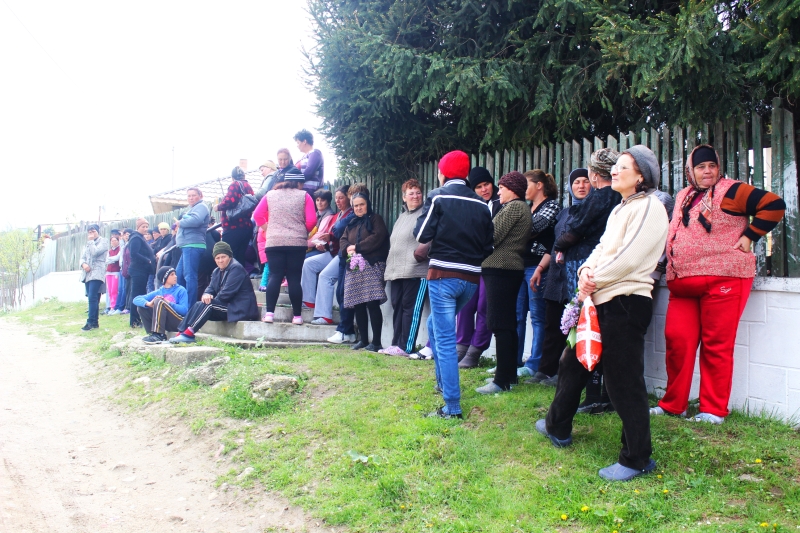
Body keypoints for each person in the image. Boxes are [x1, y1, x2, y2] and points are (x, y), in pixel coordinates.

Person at [536, 144, 669, 482]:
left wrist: (591, 282)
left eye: (623, 167)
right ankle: (557, 426)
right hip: (599, 299)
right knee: (573, 362)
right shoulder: (620, 209)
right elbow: (601, 249)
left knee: (624, 381)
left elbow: (630, 259)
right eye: (615, 166)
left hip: (627, 302)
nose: (614, 171)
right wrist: (586, 272)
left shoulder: (650, 207)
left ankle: (637, 458)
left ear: (641, 177)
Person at [652, 144, 785, 424]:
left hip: (724, 279)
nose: (707, 171)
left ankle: (713, 410)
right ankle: (673, 405)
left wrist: (750, 235)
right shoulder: (684, 195)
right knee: (677, 343)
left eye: (712, 165)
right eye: (701, 167)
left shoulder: (732, 190)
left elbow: (774, 205)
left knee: (716, 346)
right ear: (691, 171)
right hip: (682, 285)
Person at [414, 150, 494, 419]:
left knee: (446, 340)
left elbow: (421, 234)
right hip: (470, 280)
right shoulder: (482, 204)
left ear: (443, 173)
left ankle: (452, 407)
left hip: (442, 276)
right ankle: (442, 383)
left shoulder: (438, 196)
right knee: (434, 326)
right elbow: (489, 246)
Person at [534, 152, 622, 386]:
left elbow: (575, 229)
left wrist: (560, 245)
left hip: (584, 263)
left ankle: (580, 378)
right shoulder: (619, 197)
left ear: (594, 174)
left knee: (584, 319)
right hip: (602, 262)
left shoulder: (600, 196)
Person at [528, 169, 593, 386]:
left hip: (578, 275)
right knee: (552, 324)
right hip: (556, 276)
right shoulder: (564, 213)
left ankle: (565, 374)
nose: (581, 186)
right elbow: (554, 244)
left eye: (585, 181)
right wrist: (540, 268)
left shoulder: (595, 211)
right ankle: (546, 370)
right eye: (576, 182)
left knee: (575, 325)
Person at [474, 172, 532, 394]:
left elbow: (493, 235)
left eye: (502, 188)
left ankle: (501, 381)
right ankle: (509, 375)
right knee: (506, 324)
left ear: (513, 189)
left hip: (501, 269)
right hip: (506, 269)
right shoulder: (518, 207)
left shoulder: (514, 208)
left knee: (500, 324)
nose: (498, 192)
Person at [253, 167, 317, 325]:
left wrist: (268, 229)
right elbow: (312, 221)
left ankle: (269, 314)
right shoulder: (305, 196)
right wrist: (302, 231)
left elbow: (257, 215)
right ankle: (297, 317)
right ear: (299, 183)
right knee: (294, 278)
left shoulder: (270, 195)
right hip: (297, 243)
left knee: (275, 276)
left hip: (274, 242)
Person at [516, 170, 560, 377]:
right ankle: (514, 361)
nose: (523, 189)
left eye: (527, 184)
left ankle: (534, 363)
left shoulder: (551, 206)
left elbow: (532, 228)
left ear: (539, 185)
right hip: (520, 265)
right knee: (517, 316)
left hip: (538, 267)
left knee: (538, 316)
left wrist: (515, 229)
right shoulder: (527, 208)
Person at [170, 241, 260, 343]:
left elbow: (226, 294)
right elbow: (210, 288)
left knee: (208, 305)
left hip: (240, 309)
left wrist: (211, 300)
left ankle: (189, 334)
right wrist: (206, 294)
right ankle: (181, 332)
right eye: (217, 258)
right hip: (228, 306)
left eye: (223, 257)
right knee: (199, 304)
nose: (220, 260)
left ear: (230, 256)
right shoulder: (217, 271)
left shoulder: (236, 268)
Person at [455, 167, 499, 369]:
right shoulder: (470, 205)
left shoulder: (500, 204)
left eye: (486, 184)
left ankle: (475, 350)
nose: (484, 189)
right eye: (479, 186)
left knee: (484, 306)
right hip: (471, 263)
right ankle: (461, 346)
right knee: (465, 305)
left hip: (492, 263)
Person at [381, 179, 429, 356]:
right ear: (404, 197)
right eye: (411, 193)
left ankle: (406, 346)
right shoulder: (402, 217)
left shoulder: (425, 214)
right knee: (397, 306)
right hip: (397, 271)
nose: (415, 196)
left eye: (418, 192)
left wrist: (420, 254)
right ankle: (396, 344)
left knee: (411, 308)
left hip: (416, 270)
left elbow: (432, 236)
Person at [339, 192, 390, 351]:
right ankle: (363, 340)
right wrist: (348, 248)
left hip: (373, 264)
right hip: (355, 265)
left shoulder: (376, 219)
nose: (359, 208)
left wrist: (358, 247)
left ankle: (376, 342)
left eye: (362, 204)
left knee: (372, 302)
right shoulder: (351, 223)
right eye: (356, 205)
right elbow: (343, 239)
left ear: (367, 204)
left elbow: (378, 237)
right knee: (358, 303)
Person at [303, 186, 354, 329]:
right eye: (336, 198)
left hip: (342, 253)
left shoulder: (350, 214)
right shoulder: (337, 215)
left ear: (348, 198)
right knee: (308, 264)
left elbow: (339, 235)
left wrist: (329, 238)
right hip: (331, 251)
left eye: (341, 197)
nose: (338, 201)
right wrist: (324, 245)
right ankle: (308, 301)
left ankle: (325, 315)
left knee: (325, 276)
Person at [133, 266, 189, 344]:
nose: (175, 276)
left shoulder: (181, 290)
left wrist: (168, 303)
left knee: (159, 301)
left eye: (175, 274)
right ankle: (153, 333)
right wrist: (149, 304)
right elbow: (136, 299)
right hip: (166, 322)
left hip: (179, 322)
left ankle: (159, 335)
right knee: (142, 306)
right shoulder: (159, 291)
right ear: (164, 278)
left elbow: (184, 310)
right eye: (172, 274)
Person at [176, 187, 210, 306]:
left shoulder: (201, 206)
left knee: (190, 277)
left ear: (200, 196)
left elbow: (196, 220)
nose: (191, 198)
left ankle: (190, 307)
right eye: (189, 196)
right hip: (186, 246)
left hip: (193, 245)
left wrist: (180, 223)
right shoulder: (192, 209)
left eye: (193, 195)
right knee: (179, 275)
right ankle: (182, 304)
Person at [216, 166, 255, 267]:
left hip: (233, 227)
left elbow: (230, 201)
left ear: (232, 177)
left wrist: (218, 206)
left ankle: (230, 276)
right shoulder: (248, 187)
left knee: (227, 255)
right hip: (246, 227)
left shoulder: (235, 184)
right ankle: (240, 276)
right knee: (240, 256)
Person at [128, 218, 157, 328]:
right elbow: (134, 253)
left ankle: (139, 319)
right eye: (143, 227)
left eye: (146, 226)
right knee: (136, 295)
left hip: (143, 270)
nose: (145, 229)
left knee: (140, 294)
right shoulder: (136, 238)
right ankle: (134, 321)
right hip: (138, 270)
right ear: (138, 227)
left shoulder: (140, 237)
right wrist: (147, 260)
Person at [79, 224, 109, 331]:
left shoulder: (104, 241)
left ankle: (90, 322)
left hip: (97, 272)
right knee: (93, 297)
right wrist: (83, 264)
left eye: (93, 231)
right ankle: (95, 322)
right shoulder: (87, 243)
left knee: (92, 297)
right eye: (89, 232)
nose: (91, 234)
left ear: (98, 231)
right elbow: (82, 257)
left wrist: (91, 241)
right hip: (87, 273)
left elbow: (95, 252)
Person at [306, 189, 335, 259]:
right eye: (317, 200)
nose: (319, 203)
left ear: (328, 201)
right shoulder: (317, 214)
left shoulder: (329, 215)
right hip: (313, 246)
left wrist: (304, 244)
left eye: (323, 200)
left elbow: (319, 235)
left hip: (323, 249)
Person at [294, 129, 324, 194]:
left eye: (298, 142)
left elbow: (309, 172)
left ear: (304, 141)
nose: (297, 145)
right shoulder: (302, 157)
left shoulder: (315, 153)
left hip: (311, 192)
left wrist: (294, 180)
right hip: (301, 192)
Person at [105, 235, 122, 314]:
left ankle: (114, 306)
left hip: (116, 271)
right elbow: (106, 261)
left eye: (115, 240)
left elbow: (117, 258)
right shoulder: (109, 251)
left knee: (114, 290)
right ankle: (110, 306)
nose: (114, 242)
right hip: (108, 272)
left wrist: (111, 259)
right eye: (112, 241)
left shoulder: (120, 249)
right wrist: (112, 259)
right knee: (109, 290)